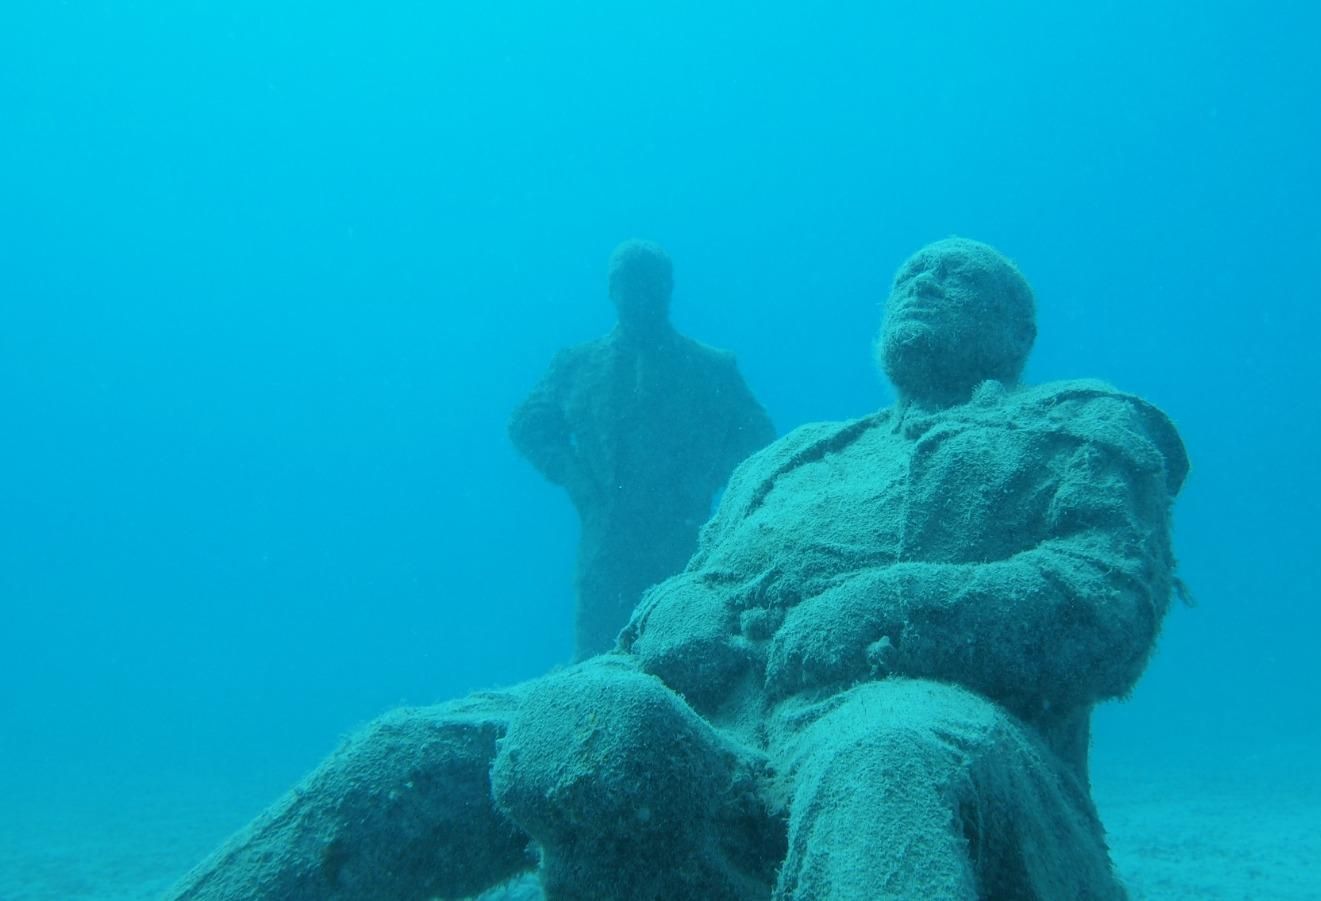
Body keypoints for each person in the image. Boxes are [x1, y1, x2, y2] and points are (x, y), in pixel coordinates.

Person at [170, 238, 1188, 901]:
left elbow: (1106, 601)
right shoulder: (794, 457)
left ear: (1018, 333)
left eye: (958, 277)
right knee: (436, 746)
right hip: (717, 719)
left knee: (882, 757)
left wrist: (898, 605)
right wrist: (674, 605)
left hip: (917, 716)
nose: (922, 282)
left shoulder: (1082, 426)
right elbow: (695, 575)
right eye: (907, 275)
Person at [510, 240, 774, 658]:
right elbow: (528, 424)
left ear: (668, 287)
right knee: (596, 666)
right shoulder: (576, 365)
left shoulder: (711, 368)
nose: (638, 293)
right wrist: (576, 480)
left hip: (684, 547)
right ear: (610, 289)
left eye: (649, 281)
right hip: (604, 551)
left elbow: (759, 440)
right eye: (627, 282)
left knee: (688, 659)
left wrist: (705, 480)